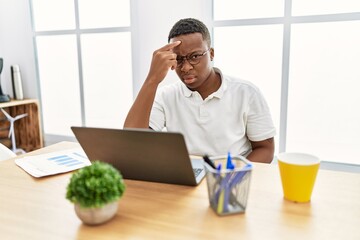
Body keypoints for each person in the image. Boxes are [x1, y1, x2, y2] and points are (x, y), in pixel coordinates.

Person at [124, 18, 276, 163]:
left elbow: (265, 148)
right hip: (186, 177)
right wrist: (152, 79)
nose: (186, 67)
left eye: (195, 56)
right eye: (178, 59)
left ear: (211, 53)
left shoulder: (246, 92)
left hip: (231, 177)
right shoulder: (166, 95)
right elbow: (132, 143)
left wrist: (232, 175)